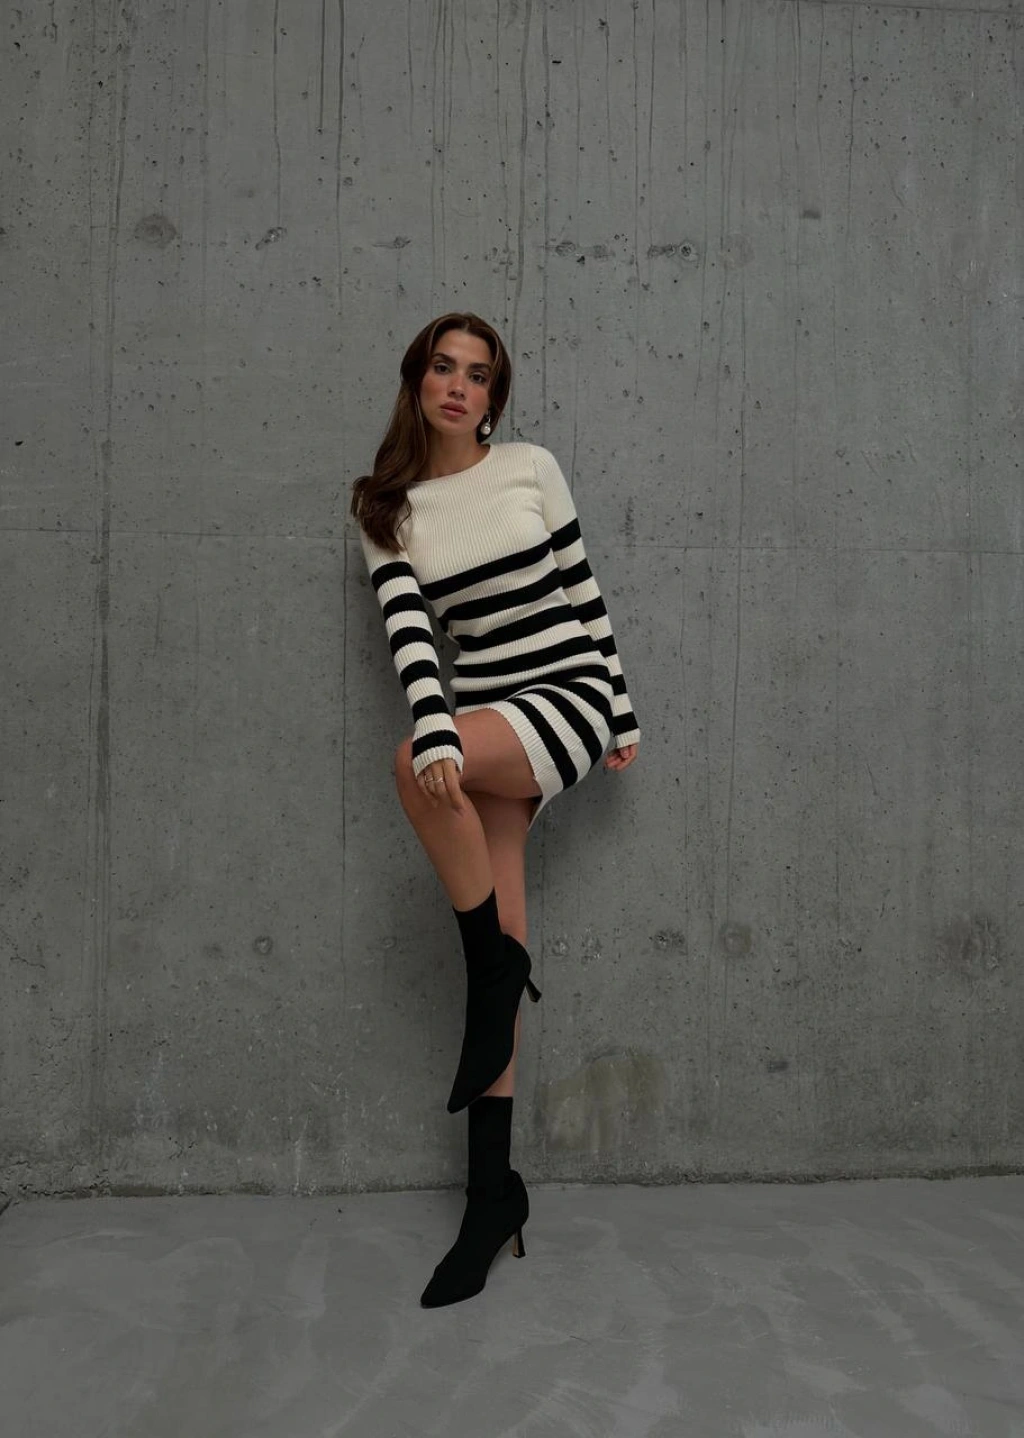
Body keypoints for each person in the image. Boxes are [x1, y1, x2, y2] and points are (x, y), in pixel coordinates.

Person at [350, 311, 640, 1307]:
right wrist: (441, 728)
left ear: (493, 397)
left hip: (566, 696)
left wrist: (621, 706)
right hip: (480, 712)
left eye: (478, 374)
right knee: (498, 936)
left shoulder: (529, 468)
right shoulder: (386, 507)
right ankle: (492, 1198)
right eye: (444, 367)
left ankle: (494, 965)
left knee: (413, 767)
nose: (458, 386)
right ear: (417, 379)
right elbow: (412, 638)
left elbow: (583, 591)